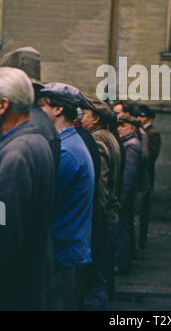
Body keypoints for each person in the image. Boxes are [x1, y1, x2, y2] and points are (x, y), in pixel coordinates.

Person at [0, 67, 55, 311]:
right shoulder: (36, 141)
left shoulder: (16, 154)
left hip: (13, 290)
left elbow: (6, 231)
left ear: (2, 105)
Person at [38, 83, 95, 311]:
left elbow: (44, 202)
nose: (38, 111)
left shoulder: (66, 150)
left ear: (58, 109)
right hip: (69, 249)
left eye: (42, 106)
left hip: (62, 252)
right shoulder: (70, 143)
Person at [80, 96, 122, 309]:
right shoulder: (111, 137)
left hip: (102, 216)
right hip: (111, 214)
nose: (81, 117)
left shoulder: (97, 140)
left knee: (95, 279)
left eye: (85, 114)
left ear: (95, 118)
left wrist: (97, 217)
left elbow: (101, 185)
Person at [116, 115, 142, 275]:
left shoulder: (132, 145)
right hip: (126, 194)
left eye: (123, 125)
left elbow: (128, 174)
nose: (119, 128)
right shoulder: (128, 142)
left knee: (123, 228)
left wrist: (121, 197)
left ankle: (122, 263)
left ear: (132, 128)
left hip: (125, 195)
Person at [136, 104, 161, 249]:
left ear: (149, 118)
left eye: (142, 116)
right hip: (143, 175)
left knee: (143, 208)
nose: (139, 118)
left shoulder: (152, 133)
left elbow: (151, 155)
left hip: (146, 175)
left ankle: (142, 240)